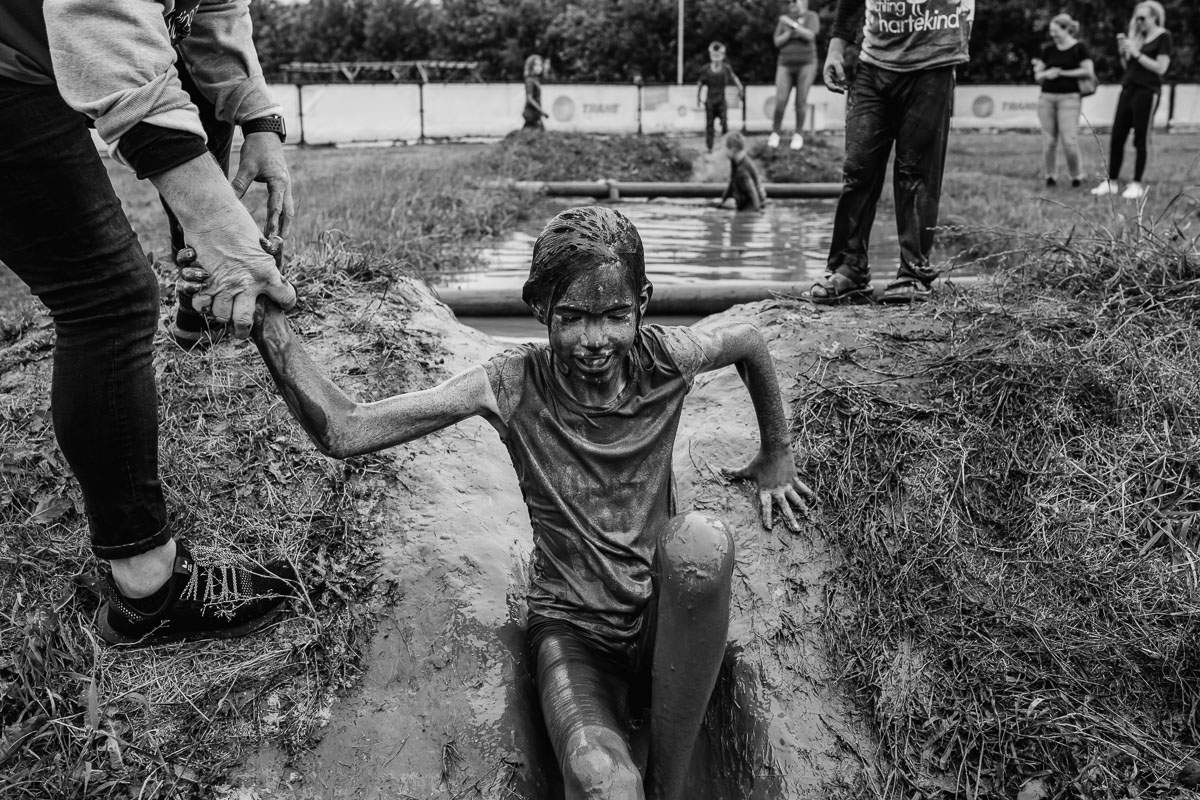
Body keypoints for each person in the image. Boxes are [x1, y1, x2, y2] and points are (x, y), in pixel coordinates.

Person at [238, 206, 814, 800]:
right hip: (574, 634)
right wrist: (267, 323)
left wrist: (777, 456)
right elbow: (345, 428)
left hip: (660, 618)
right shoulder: (511, 384)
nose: (595, 340)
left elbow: (747, 342)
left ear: (643, 302)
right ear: (538, 308)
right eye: (572, 318)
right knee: (602, 782)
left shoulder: (667, 359)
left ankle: (669, 786)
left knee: (700, 544)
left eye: (616, 315)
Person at [0, 0, 300, 645]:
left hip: (32, 54)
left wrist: (259, 118)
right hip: (16, 64)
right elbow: (102, 26)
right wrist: (219, 225)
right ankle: (148, 592)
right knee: (106, 300)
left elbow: (209, 10)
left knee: (110, 295)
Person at [811, 0, 975, 305]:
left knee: (915, 171)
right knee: (858, 169)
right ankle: (849, 268)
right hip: (872, 65)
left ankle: (913, 272)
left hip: (933, 64)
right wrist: (835, 51)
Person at [1091, 1, 1171, 201]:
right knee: (1117, 136)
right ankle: (1112, 182)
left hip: (1147, 91)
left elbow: (1161, 68)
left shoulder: (1163, 37)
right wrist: (1125, 53)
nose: (1139, 22)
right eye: (1137, 18)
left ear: (1154, 17)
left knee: (1141, 139)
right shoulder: (1138, 38)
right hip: (1128, 89)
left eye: (1143, 18)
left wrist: (1137, 53)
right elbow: (1128, 66)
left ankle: (1136, 183)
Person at [1032, 14, 1094, 189]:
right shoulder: (1048, 50)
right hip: (1047, 98)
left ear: (1067, 29)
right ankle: (1050, 176)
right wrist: (1047, 74)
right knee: (1049, 140)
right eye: (1051, 31)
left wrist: (1062, 73)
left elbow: (1088, 72)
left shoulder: (1079, 48)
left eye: (1056, 31)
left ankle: (1077, 176)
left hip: (1070, 98)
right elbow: (1038, 75)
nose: (1053, 35)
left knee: (1069, 140)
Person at [767, 0, 821, 151]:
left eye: (794, 1)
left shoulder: (811, 16)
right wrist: (791, 33)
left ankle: (798, 135)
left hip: (807, 64)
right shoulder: (783, 18)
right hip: (785, 64)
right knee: (780, 100)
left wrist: (792, 25)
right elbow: (777, 41)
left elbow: (810, 35)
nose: (791, 3)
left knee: (800, 102)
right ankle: (775, 133)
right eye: (789, 1)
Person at [696, 41, 744, 153]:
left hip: (721, 101)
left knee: (724, 124)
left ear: (722, 55)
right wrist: (698, 98)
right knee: (709, 125)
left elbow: (734, 78)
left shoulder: (726, 68)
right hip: (710, 101)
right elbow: (700, 84)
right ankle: (709, 146)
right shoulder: (706, 69)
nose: (716, 57)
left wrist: (740, 88)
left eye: (719, 55)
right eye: (714, 55)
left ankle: (726, 146)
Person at [717, 132, 768, 211]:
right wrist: (722, 203)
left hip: (751, 210)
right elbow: (731, 185)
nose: (723, 151)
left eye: (724, 148)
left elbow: (753, 195)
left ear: (732, 149)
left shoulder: (742, 170)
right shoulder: (735, 163)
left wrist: (749, 217)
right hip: (744, 207)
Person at [523, 54, 550, 130]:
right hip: (531, 115)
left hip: (536, 115)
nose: (539, 68)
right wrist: (542, 111)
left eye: (540, 65)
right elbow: (530, 99)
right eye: (536, 65)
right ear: (531, 66)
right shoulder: (529, 80)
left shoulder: (536, 80)